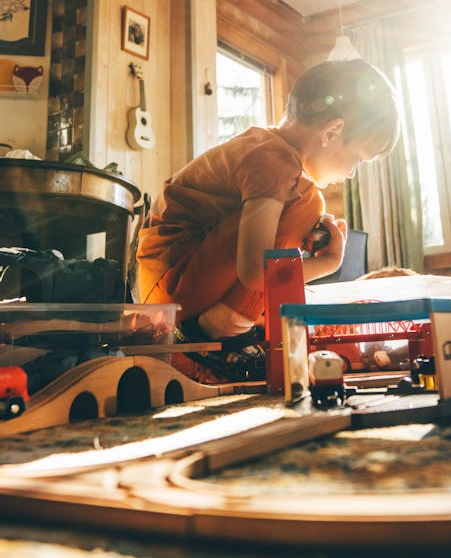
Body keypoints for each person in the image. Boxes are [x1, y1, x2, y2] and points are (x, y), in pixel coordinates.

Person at [136, 59, 400, 383]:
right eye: (357, 158)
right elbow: (256, 272)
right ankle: (217, 335)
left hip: (174, 286)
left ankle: (228, 332)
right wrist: (329, 263)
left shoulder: (267, 151)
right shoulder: (276, 164)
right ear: (332, 131)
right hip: (171, 293)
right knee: (306, 201)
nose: (350, 172)